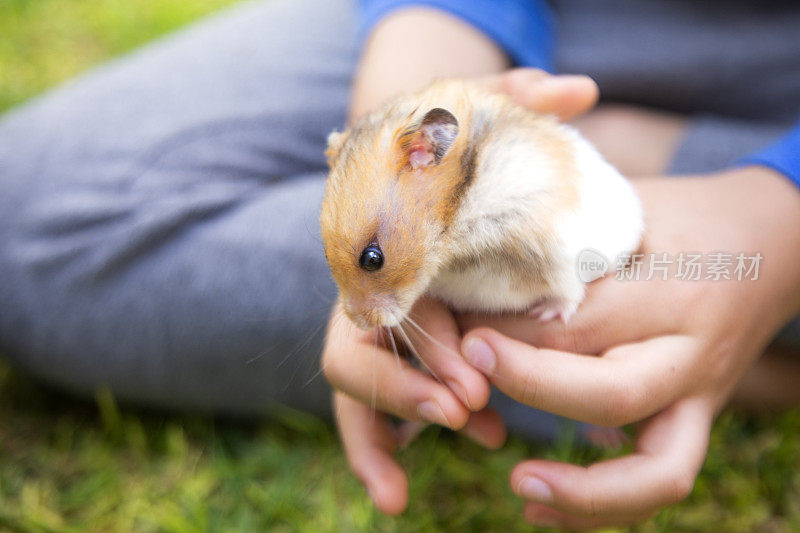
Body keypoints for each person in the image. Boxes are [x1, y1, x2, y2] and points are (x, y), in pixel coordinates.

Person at [0, 0, 798, 528]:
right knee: (24, 215)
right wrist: (393, 97)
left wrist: (775, 214)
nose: (350, 307)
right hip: (575, 18)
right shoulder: (427, 156)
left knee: (677, 274)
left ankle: (721, 282)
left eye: (370, 263)